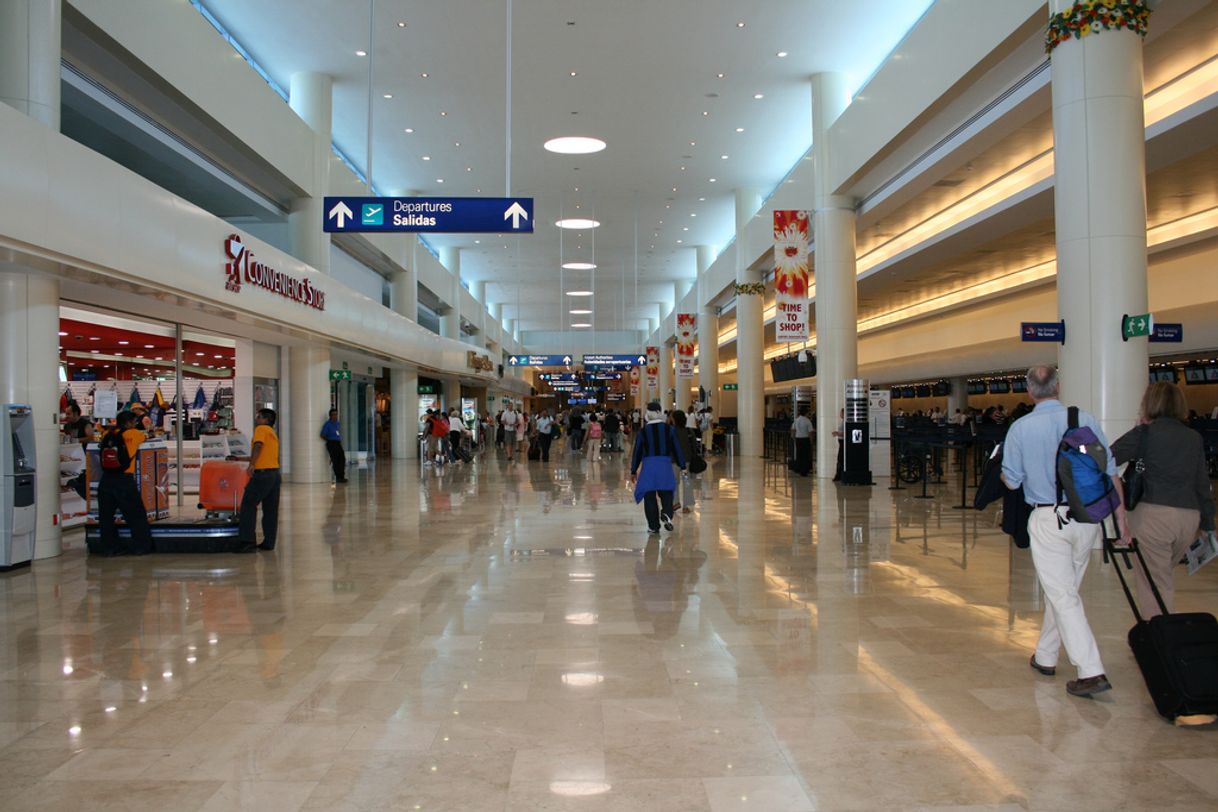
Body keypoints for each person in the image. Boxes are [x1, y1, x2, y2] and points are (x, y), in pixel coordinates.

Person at [1001, 366, 1126, 699]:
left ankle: (1091, 670)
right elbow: (1110, 471)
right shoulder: (1083, 418)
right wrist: (1121, 523)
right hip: (1086, 518)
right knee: (1065, 590)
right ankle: (1045, 654)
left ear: (1030, 391)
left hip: (1047, 518)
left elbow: (1011, 480)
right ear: (1059, 387)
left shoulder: (1020, 427)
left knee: (1063, 595)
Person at [1111, 382, 1216, 618]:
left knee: (1155, 584)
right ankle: (1161, 634)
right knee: (1161, 574)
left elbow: (1109, 456)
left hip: (1153, 516)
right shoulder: (1193, 437)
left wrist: (1136, 429)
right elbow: (1202, 484)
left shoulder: (1145, 434)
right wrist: (1208, 523)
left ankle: (1162, 640)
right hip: (1188, 519)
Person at [95, 410, 153, 556]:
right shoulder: (134, 434)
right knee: (136, 515)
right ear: (128, 423)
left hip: (106, 480)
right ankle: (141, 546)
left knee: (106, 517)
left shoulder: (107, 435)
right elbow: (146, 437)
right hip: (124, 480)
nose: (135, 424)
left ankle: (109, 548)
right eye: (134, 421)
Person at [630, 402, 686, 533]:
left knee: (649, 496)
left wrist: (633, 470)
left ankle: (653, 526)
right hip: (665, 465)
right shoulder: (669, 429)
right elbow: (677, 449)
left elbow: (637, 452)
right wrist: (683, 466)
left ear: (647, 415)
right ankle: (667, 513)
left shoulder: (643, 432)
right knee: (666, 492)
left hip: (649, 466)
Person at [232, 408, 281, 553]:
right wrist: (240, 458)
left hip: (262, 475)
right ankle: (269, 542)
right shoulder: (272, 433)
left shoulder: (261, 429)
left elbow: (258, 446)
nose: (256, 419)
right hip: (274, 475)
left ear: (265, 419)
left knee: (248, 505)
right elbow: (261, 453)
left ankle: (247, 541)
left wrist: (251, 464)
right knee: (270, 510)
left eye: (258, 417)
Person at [671, 410, 696, 513]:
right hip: (686, 463)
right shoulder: (689, 431)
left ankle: (675, 503)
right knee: (686, 482)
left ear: (675, 419)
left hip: (674, 462)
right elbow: (694, 446)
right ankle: (686, 506)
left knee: (674, 482)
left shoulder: (671, 431)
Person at [320, 408, 347, 483]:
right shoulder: (327, 424)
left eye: (336, 414)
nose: (335, 416)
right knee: (335, 460)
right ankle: (338, 477)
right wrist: (329, 440)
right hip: (332, 443)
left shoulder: (337, 423)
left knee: (342, 459)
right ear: (330, 416)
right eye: (333, 415)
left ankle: (342, 476)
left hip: (338, 443)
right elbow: (322, 435)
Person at [791, 405, 813, 477]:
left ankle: (799, 469)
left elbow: (793, 430)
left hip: (798, 439)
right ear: (806, 412)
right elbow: (810, 433)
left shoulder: (796, 420)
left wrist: (794, 438)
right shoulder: (807, 421)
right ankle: (804, 470)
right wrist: (811, 441)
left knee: (799, 454)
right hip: (805, 439)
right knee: (805, 455)